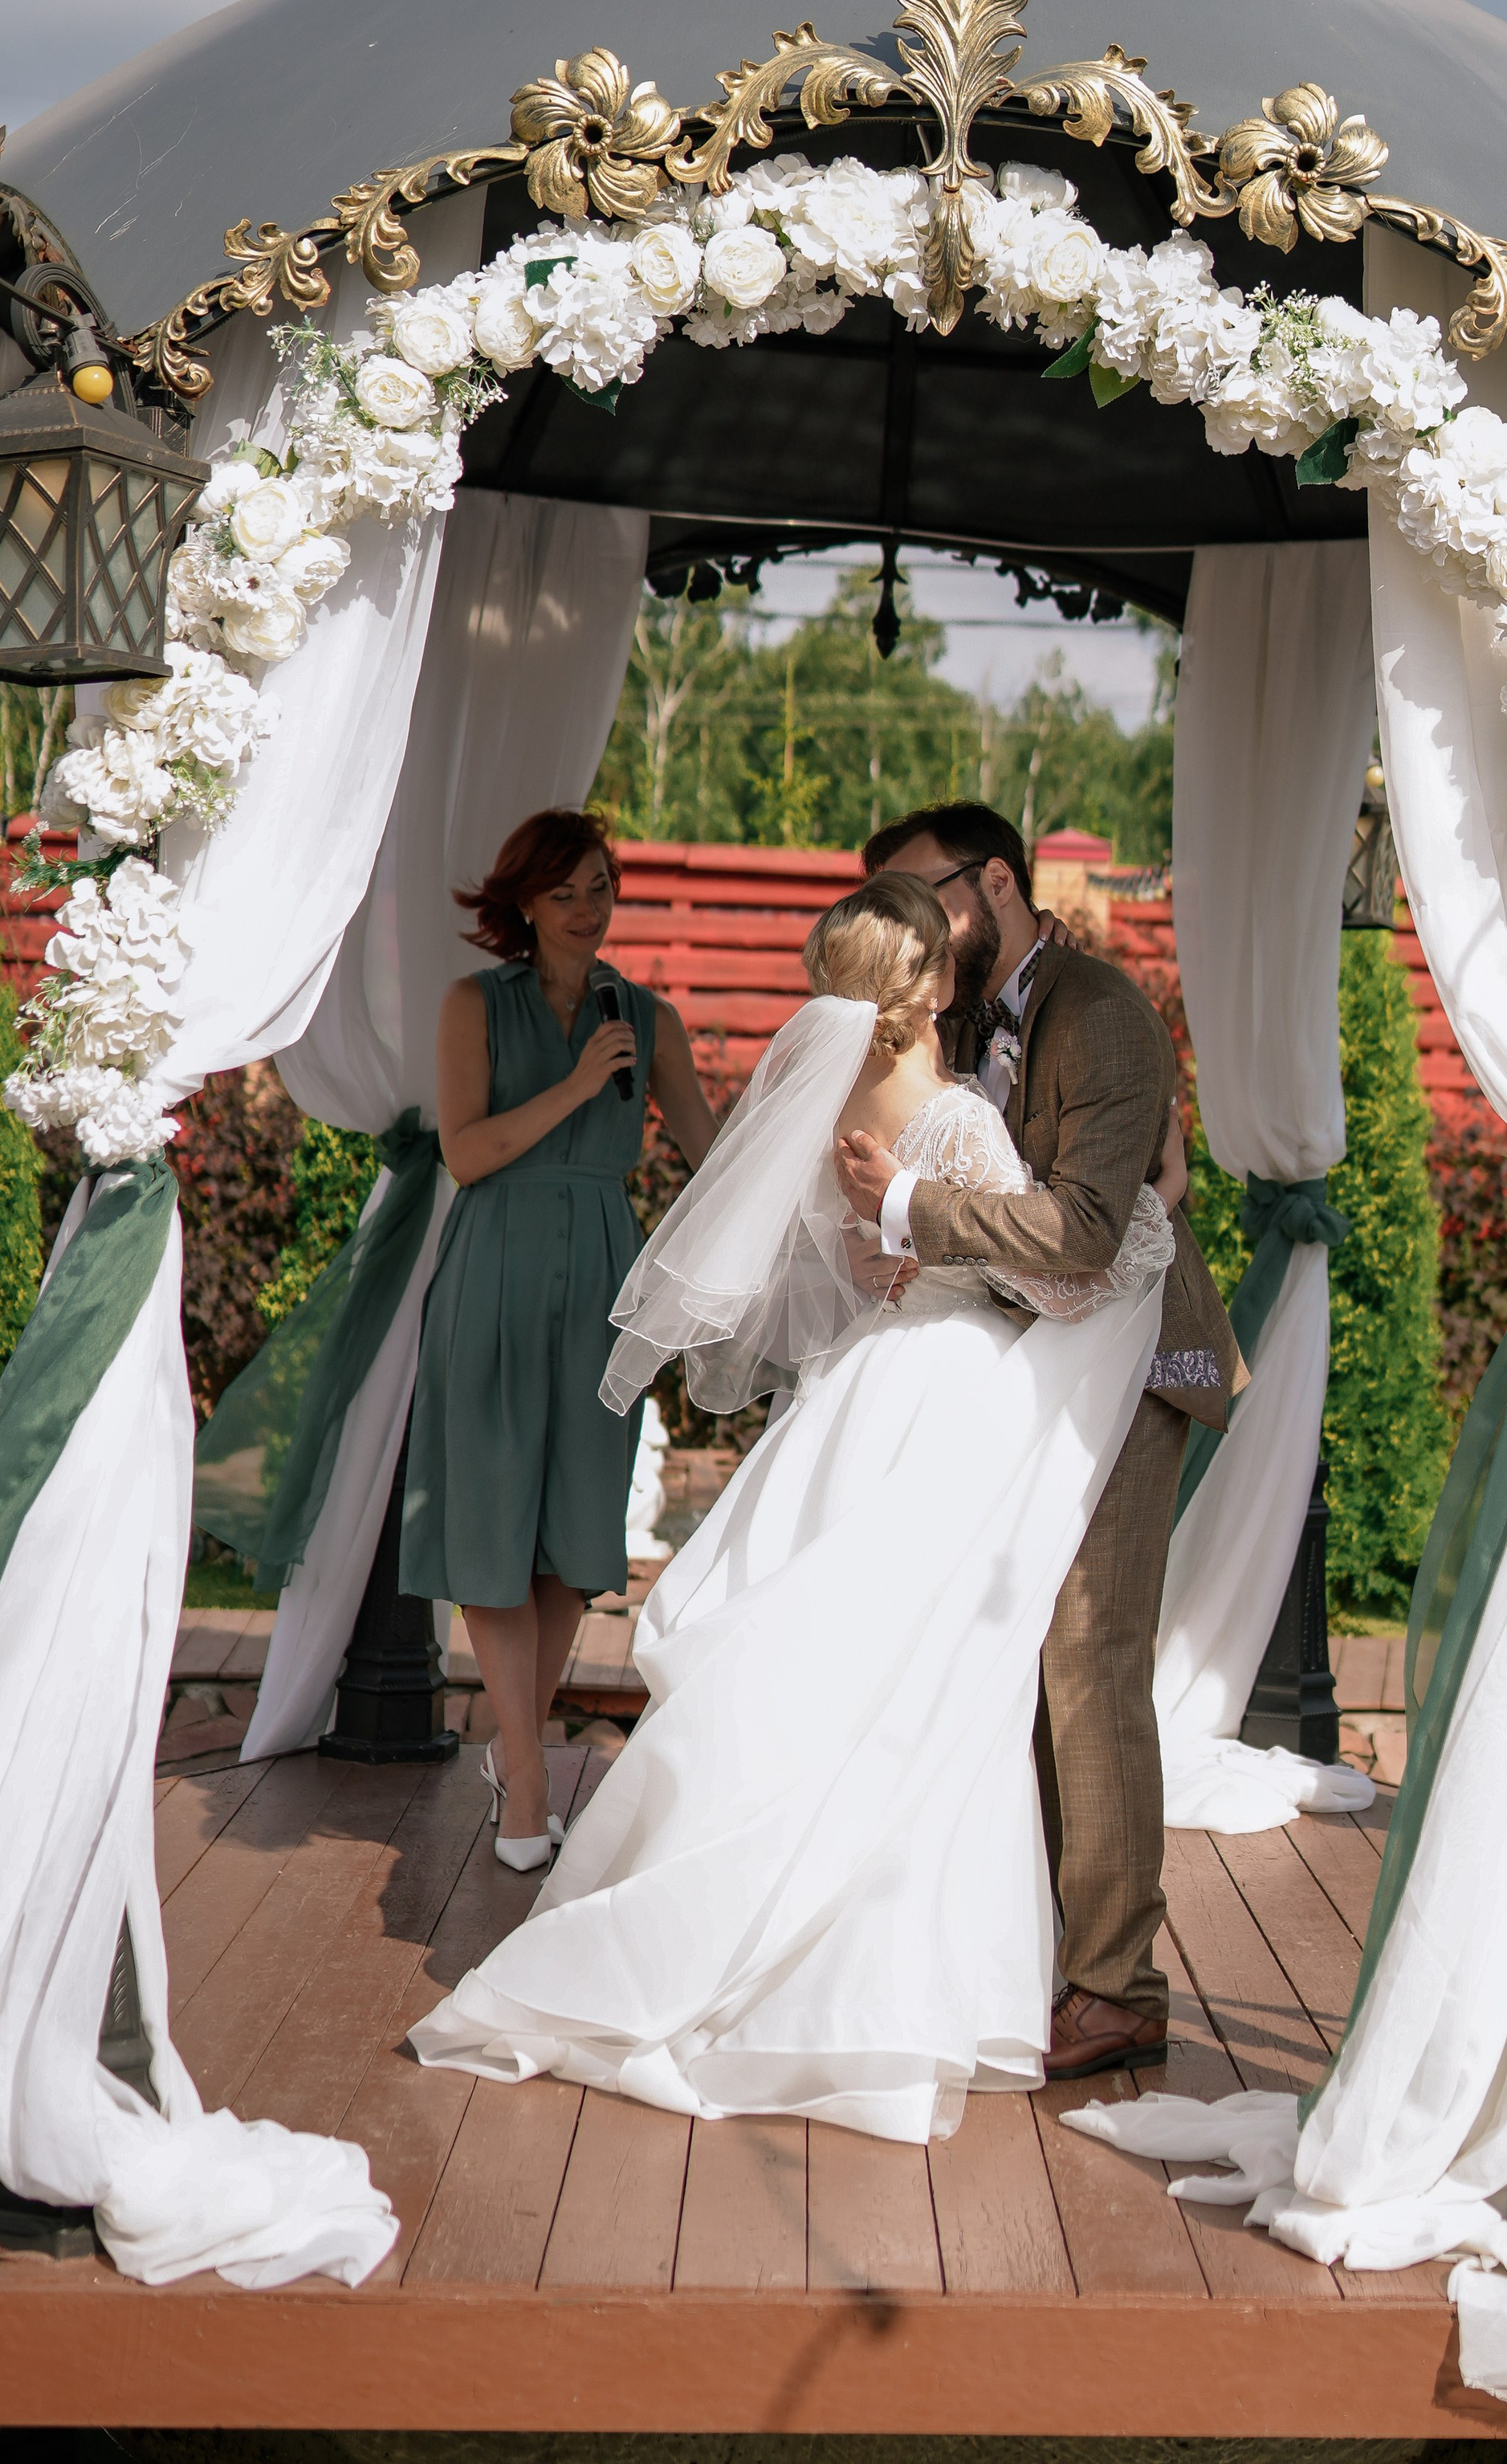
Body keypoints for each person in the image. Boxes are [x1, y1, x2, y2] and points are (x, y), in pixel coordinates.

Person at [408, 874, 1176, 2140]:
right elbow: (1070, 1288)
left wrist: (898, 1250)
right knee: (924, 1691)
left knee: (841, 1674)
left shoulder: (833, 1107)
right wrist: (1147, 1217)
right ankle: (870, 1978)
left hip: (858, 1393)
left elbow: (862, 1264)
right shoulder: (953, 1120)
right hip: (942, 1404)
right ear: (928, 984)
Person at [839, 804, 1242, 2083]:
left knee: (1087, 1648)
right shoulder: (949, 1015)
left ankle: (1118, 1990)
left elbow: (1080, 1233)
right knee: (999, 1643)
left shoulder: (1103, 1013)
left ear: (998, 883)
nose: (911, 926)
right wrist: (913, 1253)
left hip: (1131, 1360)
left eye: (925, 895)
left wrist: (914, 1208)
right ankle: (1026, 1951)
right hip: (1023, 1358)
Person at [400, 807, 715, 1869]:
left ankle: (515, 1750)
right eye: (565, 891)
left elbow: (711, 1150)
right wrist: (579, 1086)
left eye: (601, 888)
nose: (588, 909)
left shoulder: (649, 1017)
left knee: (576, 1531)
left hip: (604, 1283)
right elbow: (465, 1154)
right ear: (525, 903)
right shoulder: (473, 1005)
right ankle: (528, 1782)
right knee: (495, 1514)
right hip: (494, 1270)